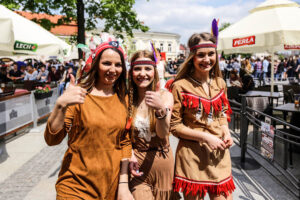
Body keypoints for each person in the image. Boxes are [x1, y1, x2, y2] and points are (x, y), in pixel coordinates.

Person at [44, 41, 133, 200]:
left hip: (110, 186)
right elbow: (52, 139)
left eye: (118, 65)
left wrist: (124, 184)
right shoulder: (79, 96)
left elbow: (124, 140)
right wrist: (61, 104)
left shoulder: (124, 98)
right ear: (96, 65)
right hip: (75, 185)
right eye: (106, 63)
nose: (113, 69)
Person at [170, 32, 235, 200]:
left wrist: (226, 132)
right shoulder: (180, 86)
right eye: (201, 55)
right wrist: (206, 137)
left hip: (219, 155)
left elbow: (222, 114)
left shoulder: (220, 83)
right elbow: (175, 126)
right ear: (192, 57)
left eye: (210, 54)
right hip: (192, 157)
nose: (207, 59)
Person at [127, 50, 179, 199]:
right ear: (131, 72)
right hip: (137, 165)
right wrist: (129, 153)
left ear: (154, 71)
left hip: (163, 161)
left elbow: (163, 134)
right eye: (137, 69)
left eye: (147, 68)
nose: (142, 73)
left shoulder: (165, 96)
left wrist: (160, 109)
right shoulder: (126, 98)